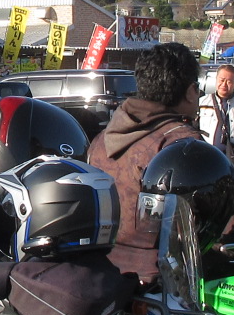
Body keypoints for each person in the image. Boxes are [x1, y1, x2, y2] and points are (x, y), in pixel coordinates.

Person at [87, 41, 203, 284]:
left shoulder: (101, 139)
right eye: (197, 87)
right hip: (161, 280)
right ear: (190, 90)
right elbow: (205, 214)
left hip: (101, 271)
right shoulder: (181, 142)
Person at [199, 65, 234, 183]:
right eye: (221, 80)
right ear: (216, 80)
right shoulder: (201, 103)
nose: (224, 84)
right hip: (209, 158)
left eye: (229, 81)